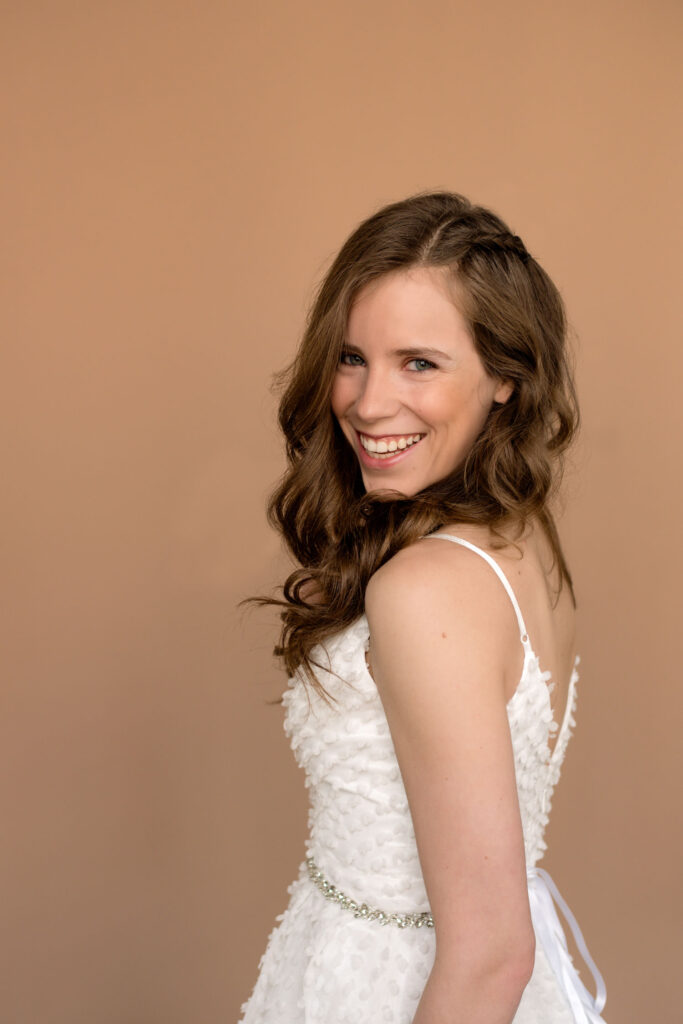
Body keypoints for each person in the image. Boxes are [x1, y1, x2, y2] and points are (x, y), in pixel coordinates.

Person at [238, 191, 607, 1024]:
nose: (367, 405)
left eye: (419, 363)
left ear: (506, 378)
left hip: (400, 990)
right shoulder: (520, 547)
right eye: (350, 357)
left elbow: (488, 954)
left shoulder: (422, 588)